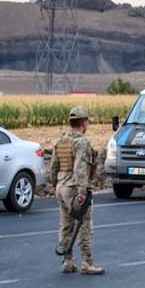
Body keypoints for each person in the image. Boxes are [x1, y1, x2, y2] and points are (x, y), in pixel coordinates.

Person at [47, 106, 104, 275]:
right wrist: (82, 191)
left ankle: (68, 260)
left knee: (66, 225)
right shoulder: (82, 142)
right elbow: (80, 168)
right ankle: (87, 262)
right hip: (74, 188)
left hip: (61, 187)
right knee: (84, 224)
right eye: (87, 121)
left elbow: (53, 168)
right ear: (83, 123)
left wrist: (55, 184)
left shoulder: (61, 140)